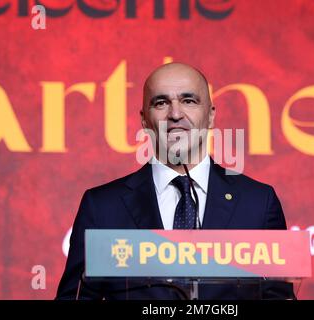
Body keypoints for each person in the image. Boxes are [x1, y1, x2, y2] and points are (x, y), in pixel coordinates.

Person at [56, 62, 294, 300]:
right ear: (144, 120)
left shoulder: (258, 202)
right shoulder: (102, 206)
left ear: (211, 115)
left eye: (189, 100)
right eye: (161, 103)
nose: (176, 114)